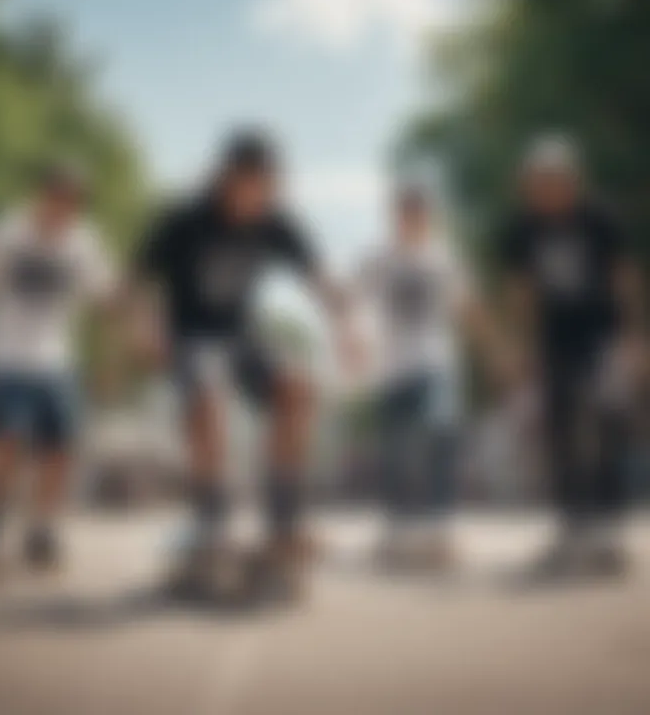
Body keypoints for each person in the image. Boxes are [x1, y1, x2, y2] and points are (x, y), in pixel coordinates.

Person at [132, 130, 352, 600]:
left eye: (270, 191)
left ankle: (283, 518)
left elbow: (319, 277)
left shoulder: (276, 221)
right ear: (228, 180)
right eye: (255, 190)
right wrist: (146, 326)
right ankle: (212, 519)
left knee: (296, 385)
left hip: (242, 337)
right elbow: (136, 281)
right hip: (192, 336)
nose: (262, 202)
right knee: (206, 394)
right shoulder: (183, 220)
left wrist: (347, 326)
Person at [0, 162, 119, 578]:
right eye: (55, 202)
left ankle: (41, 529)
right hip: (5, 356)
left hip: (57, 360)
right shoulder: (7, 234)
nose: (60, 213)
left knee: (62, 447)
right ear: (41, 198)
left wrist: (108, 360)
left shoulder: (83, 244)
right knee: (8, 438)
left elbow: (108, 301)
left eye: (70, 206)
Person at [499, 135, 646, 580]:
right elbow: (522, 292)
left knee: (604, 422)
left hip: (602, 335)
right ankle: (571, 528)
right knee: (561, 425)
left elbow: (623, 277)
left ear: (571, 180)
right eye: (536, 183)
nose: (544, 190)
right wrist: (522, 347)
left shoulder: (599, 218)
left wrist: (634, 337)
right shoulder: (523, 229)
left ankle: (608, 530)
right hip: (555, 339)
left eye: (552, 181)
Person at [351, 184, 513, 571]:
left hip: (435, 362)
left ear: (429, 216)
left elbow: (469, 307)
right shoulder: (378, 258)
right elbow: (353, 300)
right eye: (405, 212)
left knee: (439, 431)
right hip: (391, 367)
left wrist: (494, 349)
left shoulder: (444, 258)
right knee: (395, 448)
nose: (411, 220)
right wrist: (351, 339)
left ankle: (441, 524)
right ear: (395, 216)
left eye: (419, 213)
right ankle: (397, 528)